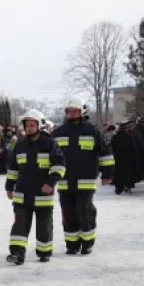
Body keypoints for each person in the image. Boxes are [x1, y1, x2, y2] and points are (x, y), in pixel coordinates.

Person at [51, 97, 114, 255]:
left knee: (84, 211)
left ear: (81, 112)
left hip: (86, 181)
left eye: (74, 111)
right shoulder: (58, 133)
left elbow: (106, 153)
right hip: (65, 182)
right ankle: (72, 244)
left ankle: (87, 242)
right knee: (68, 214)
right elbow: (48, 156)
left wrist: (108, 174)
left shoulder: (92, 131)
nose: (71, 114)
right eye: (68, 111)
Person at [5, 109, 66, 265]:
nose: (29, 128)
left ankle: (44, 252)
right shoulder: (20, 145)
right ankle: (17, 254)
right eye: (27, 125)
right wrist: (9, 186)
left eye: (32, 125)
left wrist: (50, 183)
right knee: (19, 225)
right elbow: (13, 168)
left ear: (39, 126)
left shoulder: (50, 144)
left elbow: (59, 165)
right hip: (22, 193)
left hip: (42, 194)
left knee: (44, 226)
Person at [111, 121, 139, 195]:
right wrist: (135, 158)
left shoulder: (115, 137)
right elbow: (134, 149)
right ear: (126, 129)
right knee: (128, 173)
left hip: (117, 158)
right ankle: (127, 186)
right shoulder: (130, 137)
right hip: (128, 158)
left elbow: (112, 148)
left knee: (118, 173)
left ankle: (118, 188)